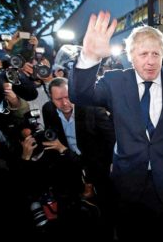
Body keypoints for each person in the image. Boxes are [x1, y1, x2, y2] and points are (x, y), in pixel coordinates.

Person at [68, 10, 163, 242]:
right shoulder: (115, 81)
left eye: (156, 54)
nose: (150, 61)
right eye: (143, 54)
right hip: (127, 182)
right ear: (131, 56)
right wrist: (89, 57)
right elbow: (79, 94)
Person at [43, 77, 116, 241]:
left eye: (68, 97)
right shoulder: (48, 110)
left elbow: (111, 142)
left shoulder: (93, 109)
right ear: (50, 99)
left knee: (103, 218)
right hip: (68, 171)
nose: (65, 103)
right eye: (58, 99)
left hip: (97, 168)